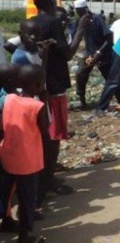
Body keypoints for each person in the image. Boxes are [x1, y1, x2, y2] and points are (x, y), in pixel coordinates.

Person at [33, 0, 85, 208]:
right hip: (55, 85)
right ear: (53, 2)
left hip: (39, 83)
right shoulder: (53, 23)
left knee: (44, 134)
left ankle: (43, 178)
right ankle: (48, 180)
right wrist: (81, 29)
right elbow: (67, 53)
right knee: (54, 136)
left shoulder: (32, 22)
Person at [0, 65, 49, 243]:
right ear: (38, 85)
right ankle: (24, 236)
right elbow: (45, 128)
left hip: (7, 156)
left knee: (5, 194)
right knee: (27, 200)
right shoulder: (37, 106)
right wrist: (44, 99)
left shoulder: (9, 99)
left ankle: (5, 221)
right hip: (28, 163)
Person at [73, 0, 120, 109]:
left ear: (86, 9)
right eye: (78, 12)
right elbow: (74, 35)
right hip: (89, 53)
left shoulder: (97, 19)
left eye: (81, 11)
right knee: (80, 74)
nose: (80, 14)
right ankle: (83, 102)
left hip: (103, 53)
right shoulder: (80, 21)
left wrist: (99, 52)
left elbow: (109, 38)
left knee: (110, 78)